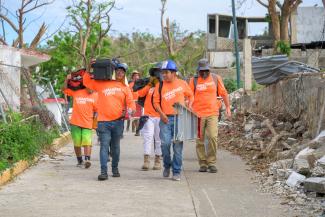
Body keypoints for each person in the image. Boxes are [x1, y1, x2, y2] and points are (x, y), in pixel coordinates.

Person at [83, 63, 135, 181]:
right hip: (103, 122)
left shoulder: (125, 88)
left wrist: (131, 109)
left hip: (118, 122)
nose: (120, 73)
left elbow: (131, 102)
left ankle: (115, 168)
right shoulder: (101, 84)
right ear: (113, 72)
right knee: (104, 146)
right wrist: (88, 69)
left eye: (122, 71)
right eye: (118, 70)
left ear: (124, 74)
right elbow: (86, 82)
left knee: (115, 148)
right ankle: (103, 172)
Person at [153, 60, 194, 181]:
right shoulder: (159, 85)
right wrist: (161, 115)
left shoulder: (182, 84)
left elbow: (191, 95)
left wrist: (189, 106)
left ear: (174, 73)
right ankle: (167, 165)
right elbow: (155, 103)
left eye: (166, 72)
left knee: (177, 147)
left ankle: (176, 171)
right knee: (165, 144)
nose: (164, 75)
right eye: (163, 72)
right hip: (165, 119)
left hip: (180, 119)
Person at [189, 59, 231, 173]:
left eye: (206, 71)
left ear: (209, 69)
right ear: (198, 70)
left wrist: (227, 107)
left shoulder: (216, 78)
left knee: (212, 137)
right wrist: (189, 107)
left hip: (212, 113)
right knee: (200, 140)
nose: (203, 73)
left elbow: (223, 93)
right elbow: (189, 96)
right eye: (201, 71)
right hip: (197, 114)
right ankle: (202, 163)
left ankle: (211, 162)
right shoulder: (193, 80)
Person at [62, 73, 98, 169]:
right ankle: (79, 160)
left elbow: (98, 110)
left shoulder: (96, 96)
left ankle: (87, 160)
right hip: (75, 123)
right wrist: (67, 79)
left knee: (87, 142)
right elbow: (64, 90)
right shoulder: (77, 92)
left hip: (87, 123)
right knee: (77, 143)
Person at [136, 66, 162, 171]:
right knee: (148, 137)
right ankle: (146, 160)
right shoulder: (149, 87)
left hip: (160, 116)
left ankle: (157, 160)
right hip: (148, 116)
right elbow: (140, 94)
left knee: (158, 139)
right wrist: (149, 84)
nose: (155, 76)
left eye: (157, 74)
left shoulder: (163, 86)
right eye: (153, 74)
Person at [127, 71, 142, 135]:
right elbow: (128, 93)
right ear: (132, 77)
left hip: (138, 101)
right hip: (132, 102)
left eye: (137, 75)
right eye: (135, 75)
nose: (136, 77)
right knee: (134, 117)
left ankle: (137, 130)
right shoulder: (130, 85)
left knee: (137, 117)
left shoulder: (141, 84)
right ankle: (136, 129)